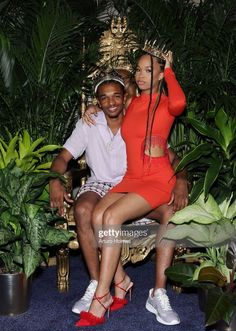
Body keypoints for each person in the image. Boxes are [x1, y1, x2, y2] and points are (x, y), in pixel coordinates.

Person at [49, 69, 188, 318]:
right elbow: (63, 157)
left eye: (116, 96)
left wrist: (182, 180)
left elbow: (172, 157)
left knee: (169, 210)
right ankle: (97, 284)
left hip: (135, 185)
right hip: (100, 182)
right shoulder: (89, 122)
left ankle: (158, 293)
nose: (111, 102)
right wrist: (54, 181)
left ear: (126, 98)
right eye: (104, 98)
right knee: (83, 209)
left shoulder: (140, 117)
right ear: (98, 101)